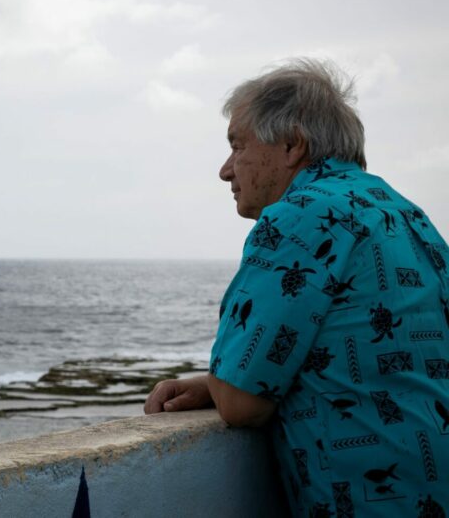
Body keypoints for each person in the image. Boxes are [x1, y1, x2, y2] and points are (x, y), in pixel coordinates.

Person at [144, 59, 449, 517]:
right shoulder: (404, 214)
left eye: (237, 146)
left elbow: (242, 404)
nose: (226, 171)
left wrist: (223, 383)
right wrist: (215, 383)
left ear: (291, 145)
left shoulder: (299, 217)